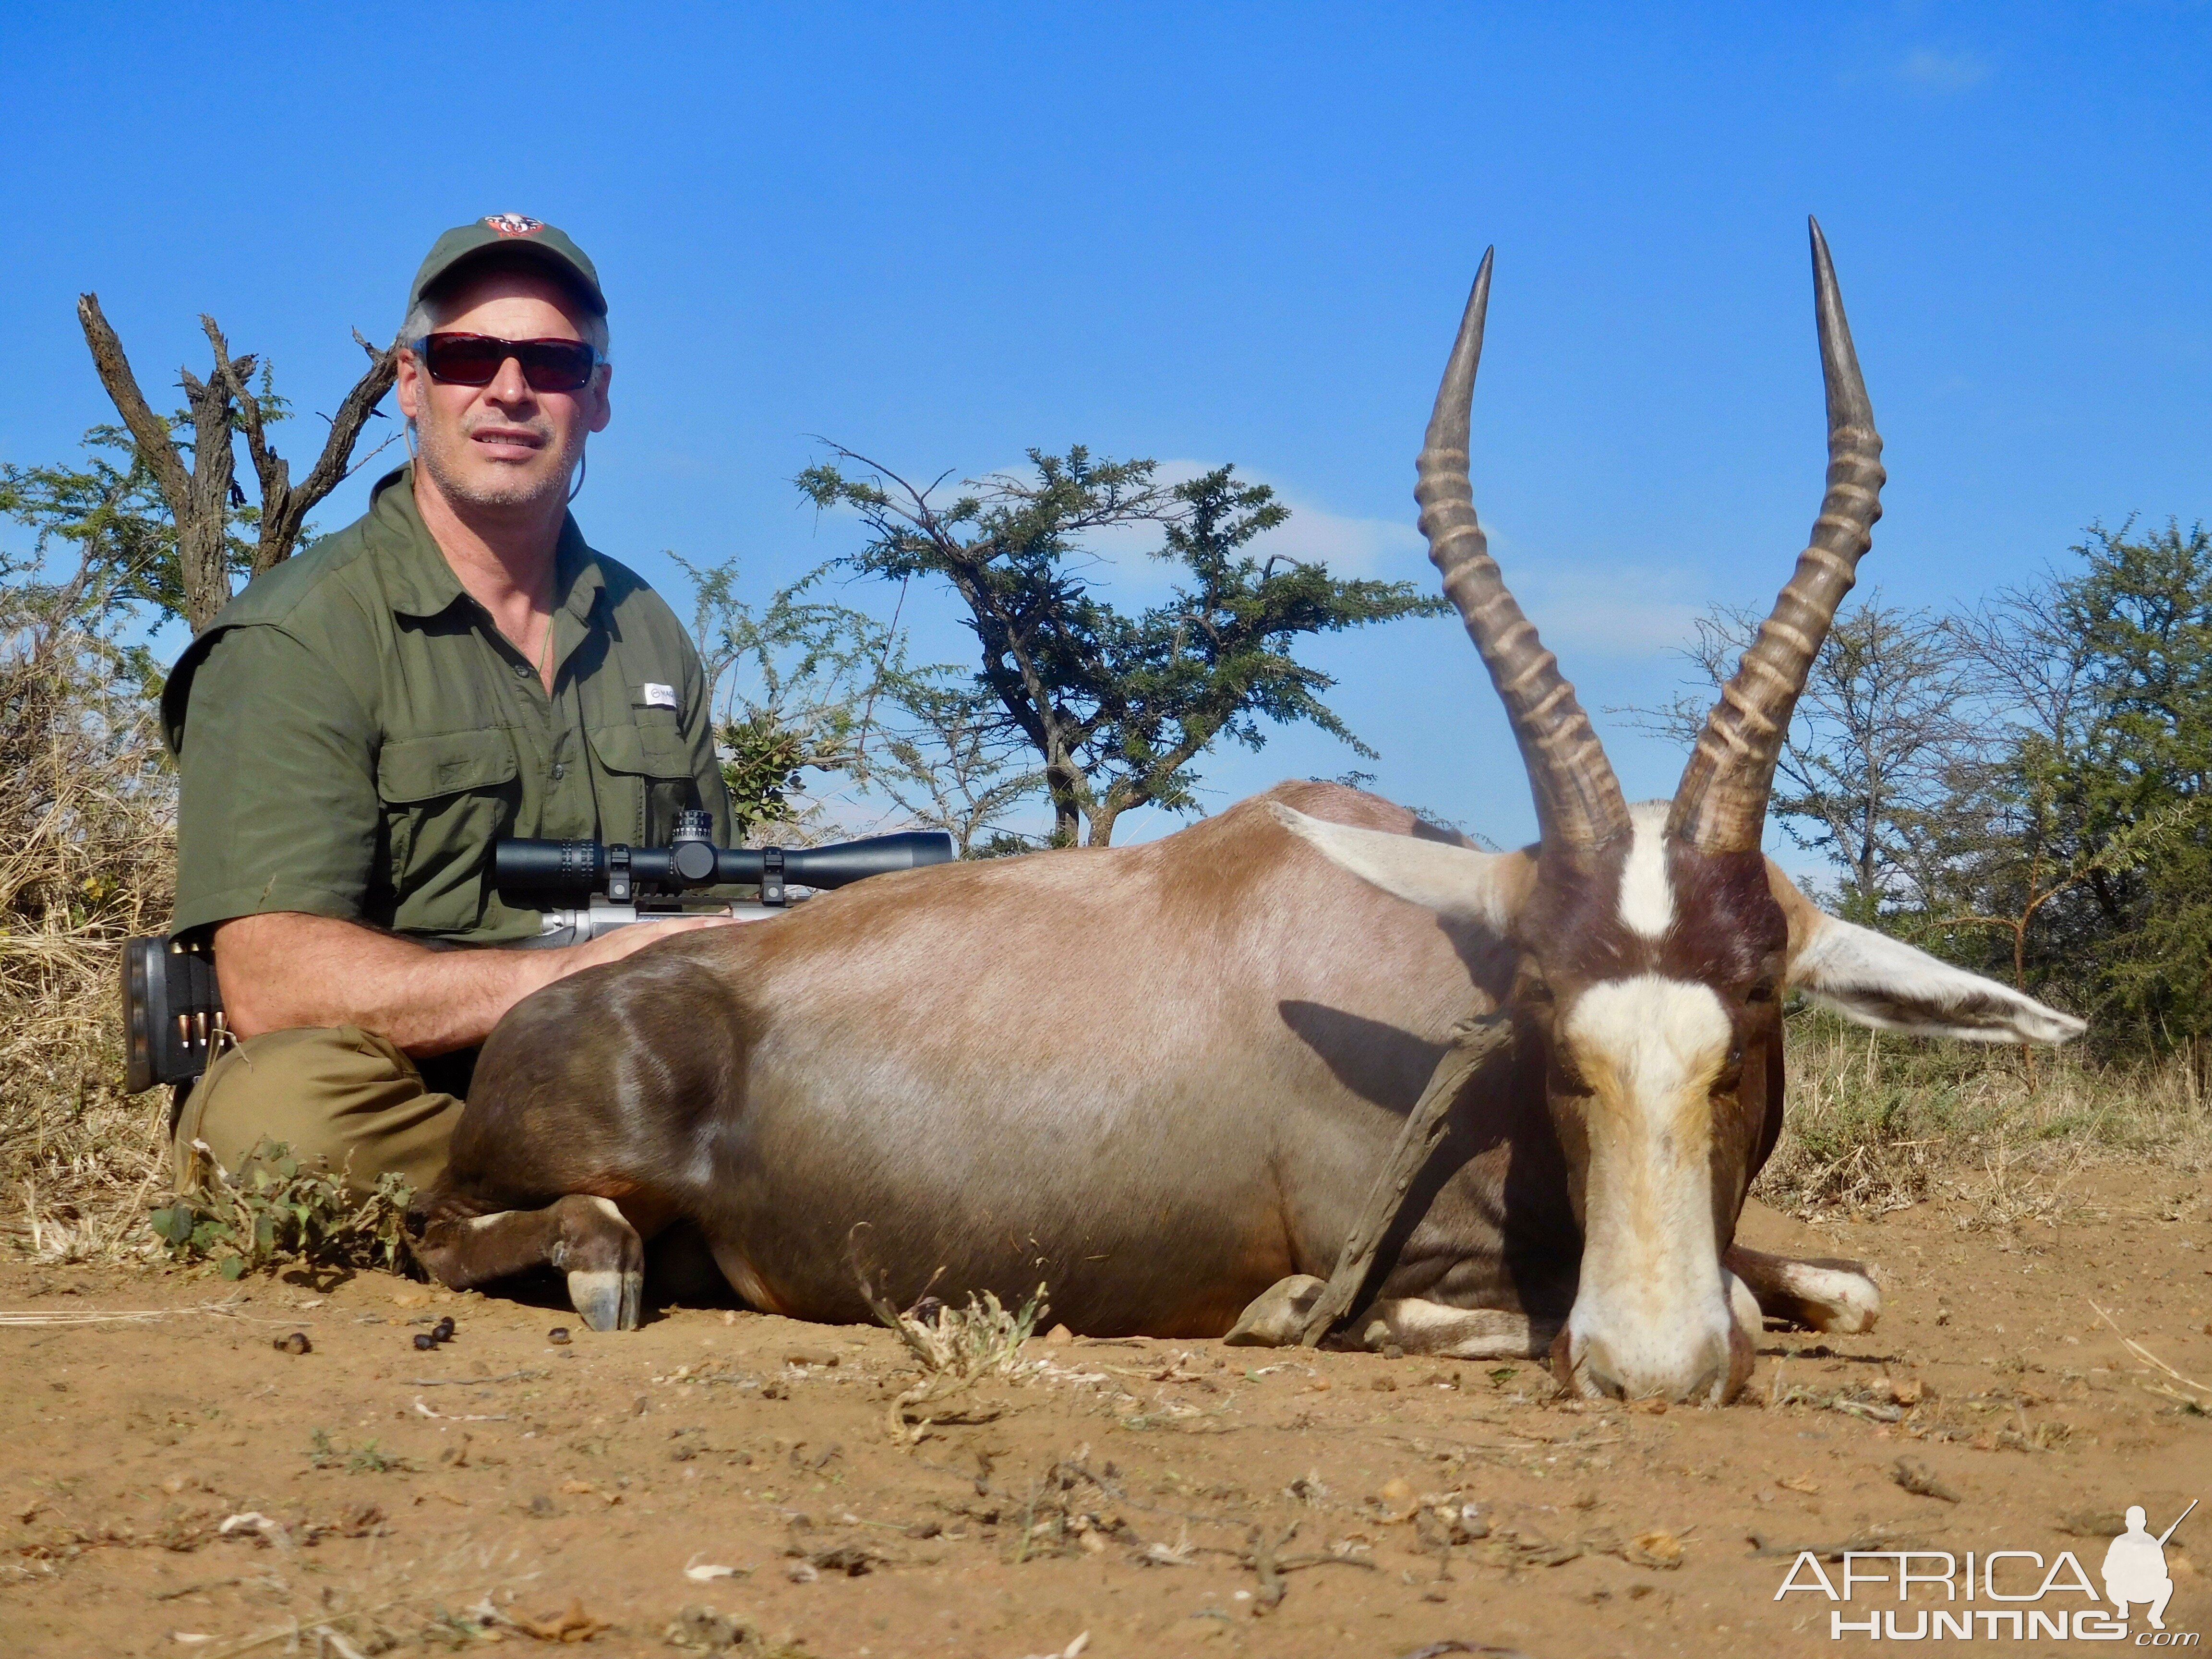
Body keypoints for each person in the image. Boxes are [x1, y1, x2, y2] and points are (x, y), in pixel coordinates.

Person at [161, 214, 742, 1196]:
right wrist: (570, 972)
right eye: (470, 354)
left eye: (552, 363)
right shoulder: (299, 633)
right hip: (407, 1087)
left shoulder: (648, 628)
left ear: (596, 398)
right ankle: (609, 1202)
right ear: (410, 382)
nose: (510, 390)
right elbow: (275, 983)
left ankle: (565, 1207)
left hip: (619, 1070)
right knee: (280, 1115)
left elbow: (713, 899)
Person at [2103, 1504, 2176, 1631]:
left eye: (2139, 1521)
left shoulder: (2152, 1543)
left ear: (2144, 1522)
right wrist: (2124, 1571)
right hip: (2124, 1589)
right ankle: (2123, 1606)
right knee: (2111, 1584)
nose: (2136, 1524)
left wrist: (2147, 1568)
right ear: (2127, 1523)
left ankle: (2155, 1616)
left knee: (2167, 1584)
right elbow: (2106, 1571)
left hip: (2146, 1589)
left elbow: (2163, 1571)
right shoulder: (2119, 1542)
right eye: (2133, 1521)